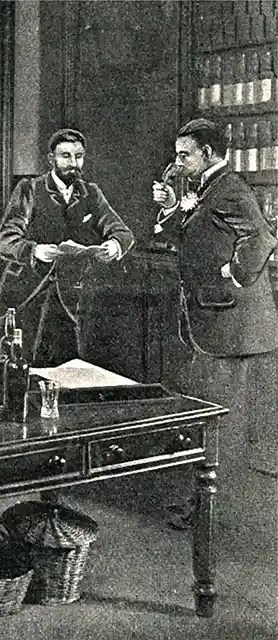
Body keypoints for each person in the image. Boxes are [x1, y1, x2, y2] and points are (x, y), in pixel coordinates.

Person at [152, 118, 278, 529]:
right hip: (212, 321)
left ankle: (204, 508)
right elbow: (186, 238)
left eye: (184, 155)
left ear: (207, 153)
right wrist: (172, 206)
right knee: (209, 414)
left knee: (212, 417)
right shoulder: (205, 188)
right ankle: (202, 504)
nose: (177, 162)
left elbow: (262, 238)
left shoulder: (230, 189)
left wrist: (232, 273)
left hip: (229, 324)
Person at [0, 128, 135, 367]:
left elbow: (123, 233)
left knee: (67, 369)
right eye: (66, 156)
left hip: (71, 299)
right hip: (28, 293)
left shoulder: (91, 192)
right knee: (20, 366)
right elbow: (4, 240)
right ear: (51, 159)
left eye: (78, 156)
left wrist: (113, 246)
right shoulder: (30, 188)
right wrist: (35, 250)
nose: (74, 163)